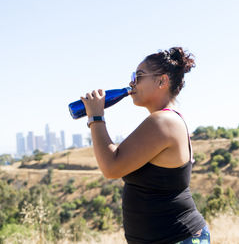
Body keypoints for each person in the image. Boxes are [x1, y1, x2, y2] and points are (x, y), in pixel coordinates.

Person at [81, 47, 210, 244]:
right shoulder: (164, 120)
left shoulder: (163, 122)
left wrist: (96, 117)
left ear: (162, 81)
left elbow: (111, 167)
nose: (132, 82)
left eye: (139, 76)